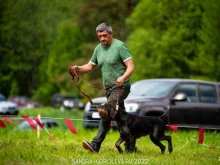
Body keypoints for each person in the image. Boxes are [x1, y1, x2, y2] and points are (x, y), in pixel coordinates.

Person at [70, 23, 135, 153]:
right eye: (100, 36)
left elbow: (131, 66)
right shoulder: (98, 49)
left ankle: (95, 145)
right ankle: (130, 147)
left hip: (121, 86)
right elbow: (90, 66)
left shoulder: (120, 46)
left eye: (105, 35)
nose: (102, 39)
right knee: (122, 117)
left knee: (106, 112)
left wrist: (122, 78)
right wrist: (77, 68)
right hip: (109, 89)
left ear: (111, 34)